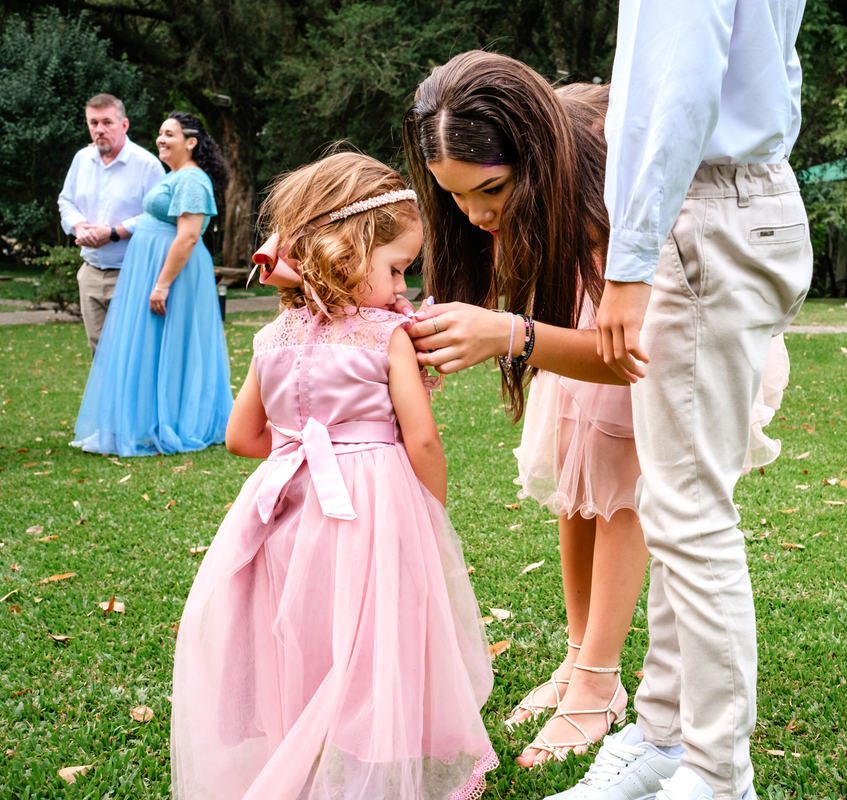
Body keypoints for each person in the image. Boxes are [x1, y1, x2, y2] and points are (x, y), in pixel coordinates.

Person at [400, 52, 791, 771]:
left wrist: (514, 334)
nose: (477, 214)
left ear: (534, 157)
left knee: (618, 478)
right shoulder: (540, 159)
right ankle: (578, 656)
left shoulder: (612, 171)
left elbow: (628, 352)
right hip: (582, 311)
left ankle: (601, 681)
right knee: (575, 481)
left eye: (491, 189)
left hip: (655, 319)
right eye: (455, 197)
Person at [170, 152, 497, 800]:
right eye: (397, 268)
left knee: (306, 627)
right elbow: (422, 438)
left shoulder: (274, 339)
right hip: (372, 508)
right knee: (374, 635)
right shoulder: (385, 337)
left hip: (286, 507)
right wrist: (428, 514)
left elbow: (242, 438)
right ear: (348, 254)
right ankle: (372, 756)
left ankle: (304, 747)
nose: (404, 287)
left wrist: (301, 446)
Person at [581, 0, 812, 798]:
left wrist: (630, 257)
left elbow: (678, 86)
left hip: (700, 208)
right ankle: (664, 741)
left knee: (689, 512)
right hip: (740, 198)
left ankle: (715, 776)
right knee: (681, 500)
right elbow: (773, 69)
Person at [71, 112, 233, 457]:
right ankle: (152, 417)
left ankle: (177, 420)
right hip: (153, 268)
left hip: (175, 274)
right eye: (159, 133)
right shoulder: (175, 176)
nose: (160, 139)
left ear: (190, 142)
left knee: (173, 344)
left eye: (169, 134)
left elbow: (188, 236)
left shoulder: (191, 180)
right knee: (154, 344)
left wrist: (161, 285)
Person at [57, 93, 165, 352]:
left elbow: (160, 217)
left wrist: (115, 233)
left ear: (124, 125)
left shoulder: (147, 165)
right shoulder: (82, 159)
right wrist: (79, 226)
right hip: (90, 272)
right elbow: (66, 201)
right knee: (99, 352)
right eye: (93, 123)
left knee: (130, 353)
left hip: (131, 273)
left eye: (107, 122)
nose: (99, 129)